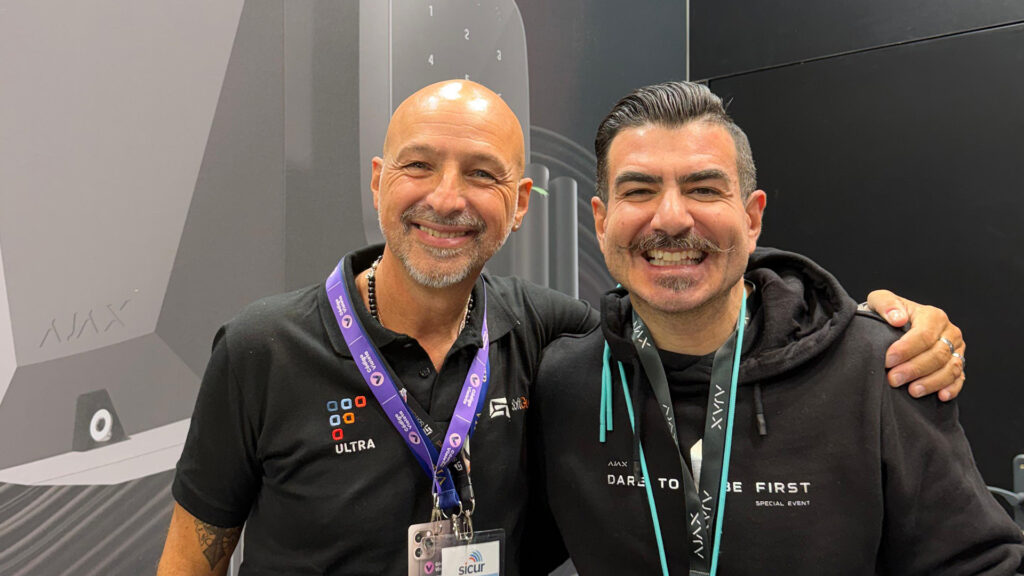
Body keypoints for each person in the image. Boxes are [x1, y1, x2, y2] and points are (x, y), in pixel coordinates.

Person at [156, 80, 967, 576]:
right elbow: (193, 556)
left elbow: (690, 304)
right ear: (378, 182)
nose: (447, 198)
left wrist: (886, 326)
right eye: (418, 165)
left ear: (518, 204)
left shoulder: (551, 338)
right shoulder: (262, 348)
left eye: (482, 174)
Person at [530, 81, 1023, 575]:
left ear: (751, 219)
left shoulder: (882, 368)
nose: (672, 218)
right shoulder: (563, 382)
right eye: (639, 191)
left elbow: (976, 564)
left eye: (703, 189)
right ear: (601, 223)